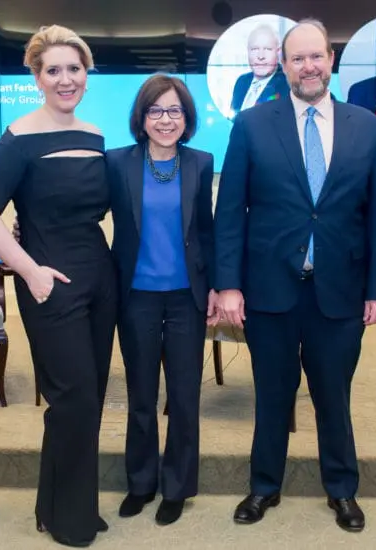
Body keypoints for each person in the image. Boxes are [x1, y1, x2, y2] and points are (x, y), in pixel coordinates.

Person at [215, 18, 376, 532]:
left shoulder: (367, 126)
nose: (308, 67)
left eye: (316, 56)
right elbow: (230, 211)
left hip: (340, 291)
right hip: (269, 290)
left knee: (333, 399)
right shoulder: (252, 125)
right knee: (271, 394)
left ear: (331, 60)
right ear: (283, 65)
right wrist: (228, 284)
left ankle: (342, 490)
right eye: (297, 59)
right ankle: (263, 487)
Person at [0, 25, 115, 548]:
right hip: (49, 284)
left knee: (88, 398)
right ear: (37, 76)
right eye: (54, 70)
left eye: (74, 69)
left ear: (86, 74)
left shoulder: (95, 134)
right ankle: (68, 519)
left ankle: (59, 506)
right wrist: (27, 269)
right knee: (71, 397)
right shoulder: (19, 138)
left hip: (101, 279)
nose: (66, 79)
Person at [106, 74, 218, 526]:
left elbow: (207, 230)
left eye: (175, 111)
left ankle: (177, 487)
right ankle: (141, 482)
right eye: (156, 111)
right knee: (141, 395)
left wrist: (215, 285)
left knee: (185, 395)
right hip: (136, 297)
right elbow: (85, 211)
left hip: (186, 297)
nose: (166, 120)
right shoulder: (117, 163)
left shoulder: (201, 162)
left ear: (187, 118)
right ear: (142, 116)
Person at [228, 24, 290, 117]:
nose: (261, 56)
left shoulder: (289, 84)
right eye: (254, 49)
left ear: (278, 52)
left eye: (268, 49)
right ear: (248, 51)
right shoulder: (241, 81)